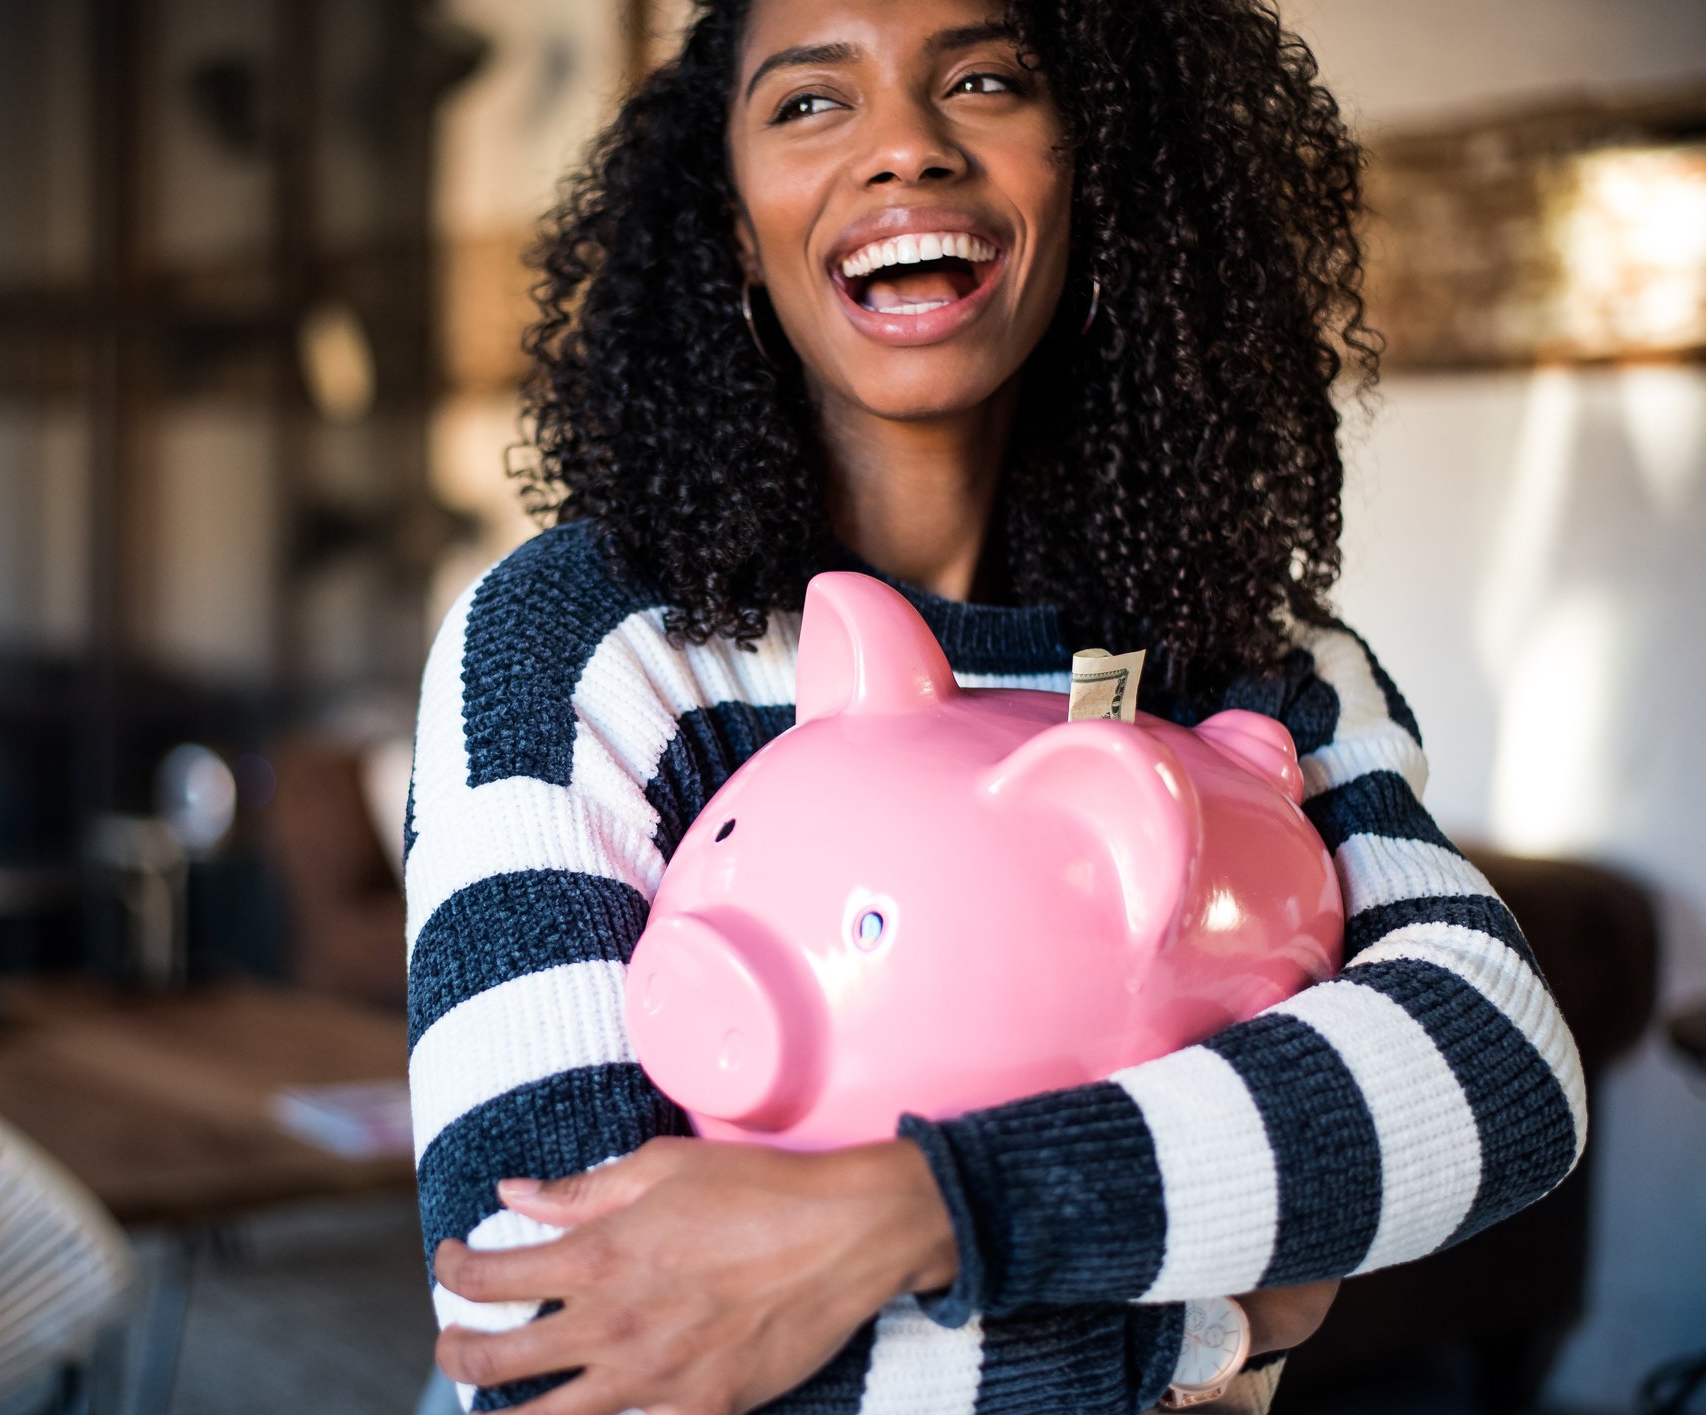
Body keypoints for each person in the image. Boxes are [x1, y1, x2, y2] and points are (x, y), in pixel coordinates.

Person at [403, 0, 1586, 1411]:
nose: (905, 147)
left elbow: (1500, 1072)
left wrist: (919, 1212)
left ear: (1096, 178)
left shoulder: (1260, 663)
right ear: (734, 230)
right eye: (808, 102)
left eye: (983, 79)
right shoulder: (589, 645)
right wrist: (1219, 1324)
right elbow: (560, 1344)